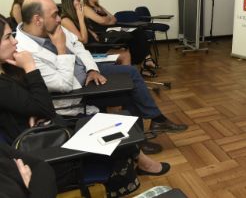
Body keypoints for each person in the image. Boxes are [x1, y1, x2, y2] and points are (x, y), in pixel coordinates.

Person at [0, 14, 171, 195]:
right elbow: (44, 103)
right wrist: (31, 68)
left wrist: (36, 109)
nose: (14, 41)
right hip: (44, 146)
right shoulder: (9, 77)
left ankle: (139, 164)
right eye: (7, 37)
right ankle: (136, 168)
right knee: (114, 128)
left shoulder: (9, 67)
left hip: (49, 127)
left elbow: (37, 102)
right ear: (36, 19)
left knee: (119, 122)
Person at [15, 0, 187, 146]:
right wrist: (61, 49)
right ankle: (140, 140)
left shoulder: (52, 27)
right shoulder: (24, 51)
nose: (59, 19)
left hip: (88, 75)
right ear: (38, 20)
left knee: (131, 74)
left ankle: (148, 129)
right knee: (129, 89)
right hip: (75, 90)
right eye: (54, 15)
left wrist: (92, 69)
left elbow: (79, 46)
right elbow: (63, 85)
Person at [82, 0, 157, 77]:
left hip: (112, 30)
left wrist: (107, 21)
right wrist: (107, 21)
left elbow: (114, 19)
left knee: (139, 31)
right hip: (103, 35)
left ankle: (146, 59)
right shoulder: (86, 8)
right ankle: (143, 63)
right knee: (131, 37)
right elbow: (102, 21)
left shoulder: (99, 7)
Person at [61, 0, 131, 65]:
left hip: (96, 47)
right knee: (124, 55)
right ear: (70, 2)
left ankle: (120, 74)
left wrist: (92, 32)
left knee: (124, 49)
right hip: (89, 52)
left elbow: (89, 32)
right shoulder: (65, 20)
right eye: (78, 0)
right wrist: (81, 18)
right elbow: (84, 40)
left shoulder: (75, 17)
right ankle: (125, 75)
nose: (80, 3)